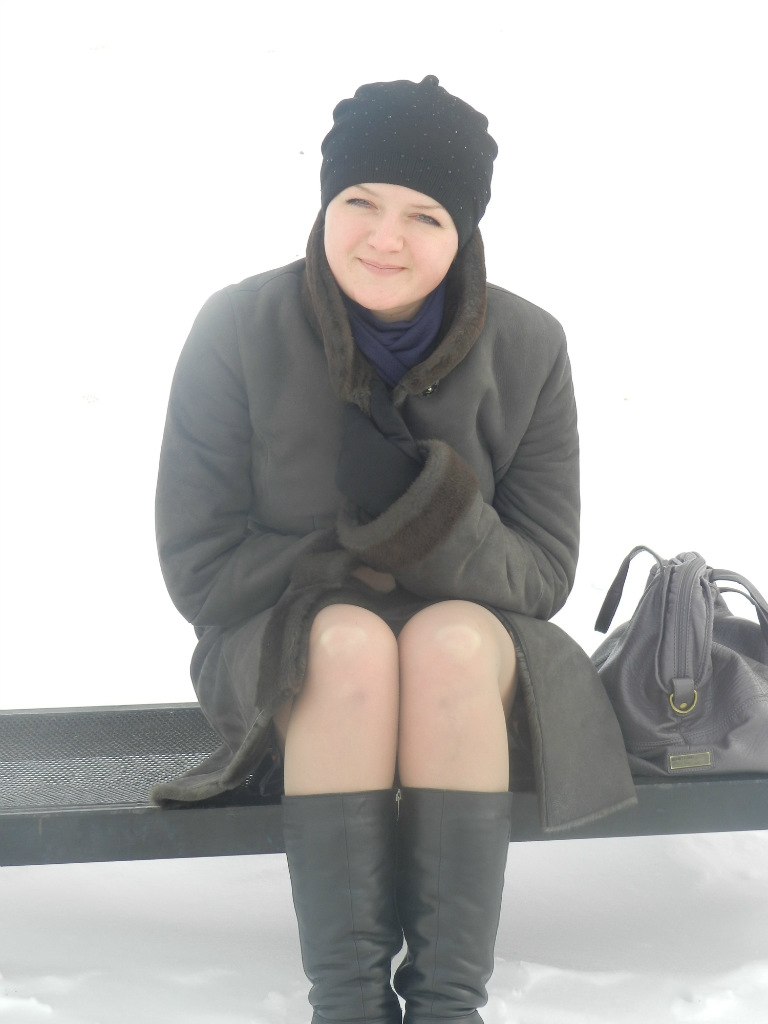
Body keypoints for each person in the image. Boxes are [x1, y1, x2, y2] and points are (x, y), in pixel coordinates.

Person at [154, 76, 635, 1024]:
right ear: (326, 201)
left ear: (464, 232)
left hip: (475, 657)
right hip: (281, 648)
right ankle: (349, 1007)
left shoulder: (531, 344)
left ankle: (450, 1007)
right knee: (351, 644)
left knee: (445, 640)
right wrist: (350, 558)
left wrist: (428, 511)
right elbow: (200, 568)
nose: (385, 238)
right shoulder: (237, 327)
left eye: (425, 215)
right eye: (360, 202)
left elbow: (543, 572)